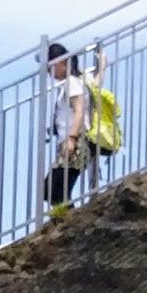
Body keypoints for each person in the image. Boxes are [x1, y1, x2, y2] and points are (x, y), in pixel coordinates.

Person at [41, 42, 99, 214]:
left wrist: (72, 138)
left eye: (50, 65)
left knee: (52, 189)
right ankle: (67, 220)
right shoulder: (72, 83)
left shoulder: (72, 82)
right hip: (72, 141)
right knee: (55, 190)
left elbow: (79, 110)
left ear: (62, 62)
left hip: (76, 141)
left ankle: (70, 220)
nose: (48, 71)